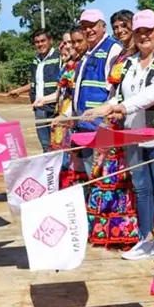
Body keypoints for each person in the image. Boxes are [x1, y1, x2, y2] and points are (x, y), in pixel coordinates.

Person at [83, 10, 154, 260]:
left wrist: (122, 107)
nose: (143, 36)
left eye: (148, 30)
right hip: (131, 134)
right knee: (141, 188)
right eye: (139, 31)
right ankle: (146, 239)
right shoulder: (129, 61)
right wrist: (103, 108)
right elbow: (120, 94)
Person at [83, 33, 141, 251]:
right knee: (107, 172)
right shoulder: (122, 57)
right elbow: (115, 93)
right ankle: (106, 229)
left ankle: (127, 231)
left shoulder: (141, 58)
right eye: (117, 27)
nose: (121, 31)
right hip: (113, 119)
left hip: (129, 121)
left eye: (125, 27)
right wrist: (103, 110)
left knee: (128, 177)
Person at [72, 9, 124, 175]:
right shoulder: (87, 53)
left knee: (102, 176)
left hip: (100, 127)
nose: (88, 30)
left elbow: (116, 91)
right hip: (84, 125)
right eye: (84, 26)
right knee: (90, 174)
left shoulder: (113, 49)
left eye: (92, 25)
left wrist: (104, 119)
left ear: (103, 26)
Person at [45, 28, 89, 188]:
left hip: (72, 118)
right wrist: (41, 100)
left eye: (72, 42)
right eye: (66, 42)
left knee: (74, 161)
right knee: (61, 159)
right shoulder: (66, 67)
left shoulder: (83, 64)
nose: (69, 46)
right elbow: (59, 94)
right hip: (61, 116)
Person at [7, 30, 60, 152]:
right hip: (39, 109)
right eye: (37, 42)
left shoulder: (59, 58)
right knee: (45, 145)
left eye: (43, 41)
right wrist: (19, 90)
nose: (40, 44)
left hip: (55, 109)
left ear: (50, 41)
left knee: (58, 144)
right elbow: (35, 83)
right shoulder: (36, 60)